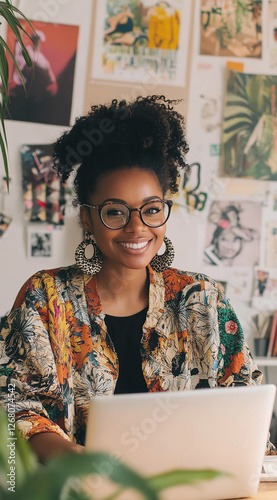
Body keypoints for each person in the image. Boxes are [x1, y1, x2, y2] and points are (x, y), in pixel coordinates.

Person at [0, 95, 275, 463]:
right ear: (86, 218)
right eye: (115, 211)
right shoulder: (46, 298)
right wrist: (72, 457)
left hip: (193, 485)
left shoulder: (202, 298)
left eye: (152, 209)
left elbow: (244, 402)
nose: (137, 226)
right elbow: (14, 404)